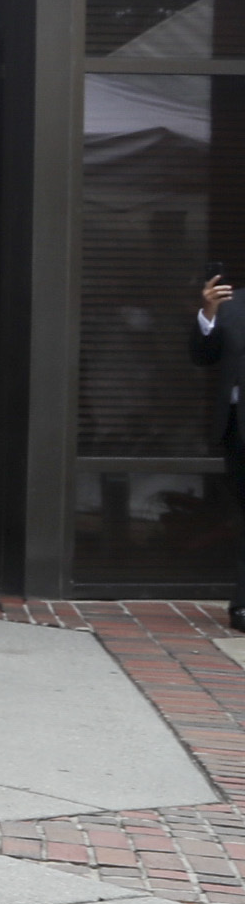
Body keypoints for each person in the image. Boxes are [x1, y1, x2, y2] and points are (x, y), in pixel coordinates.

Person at [192, 263, 245, 632]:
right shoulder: (231, 305)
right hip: (238, 429)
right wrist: (207, 313)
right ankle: (243, 606)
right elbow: (203, 355)